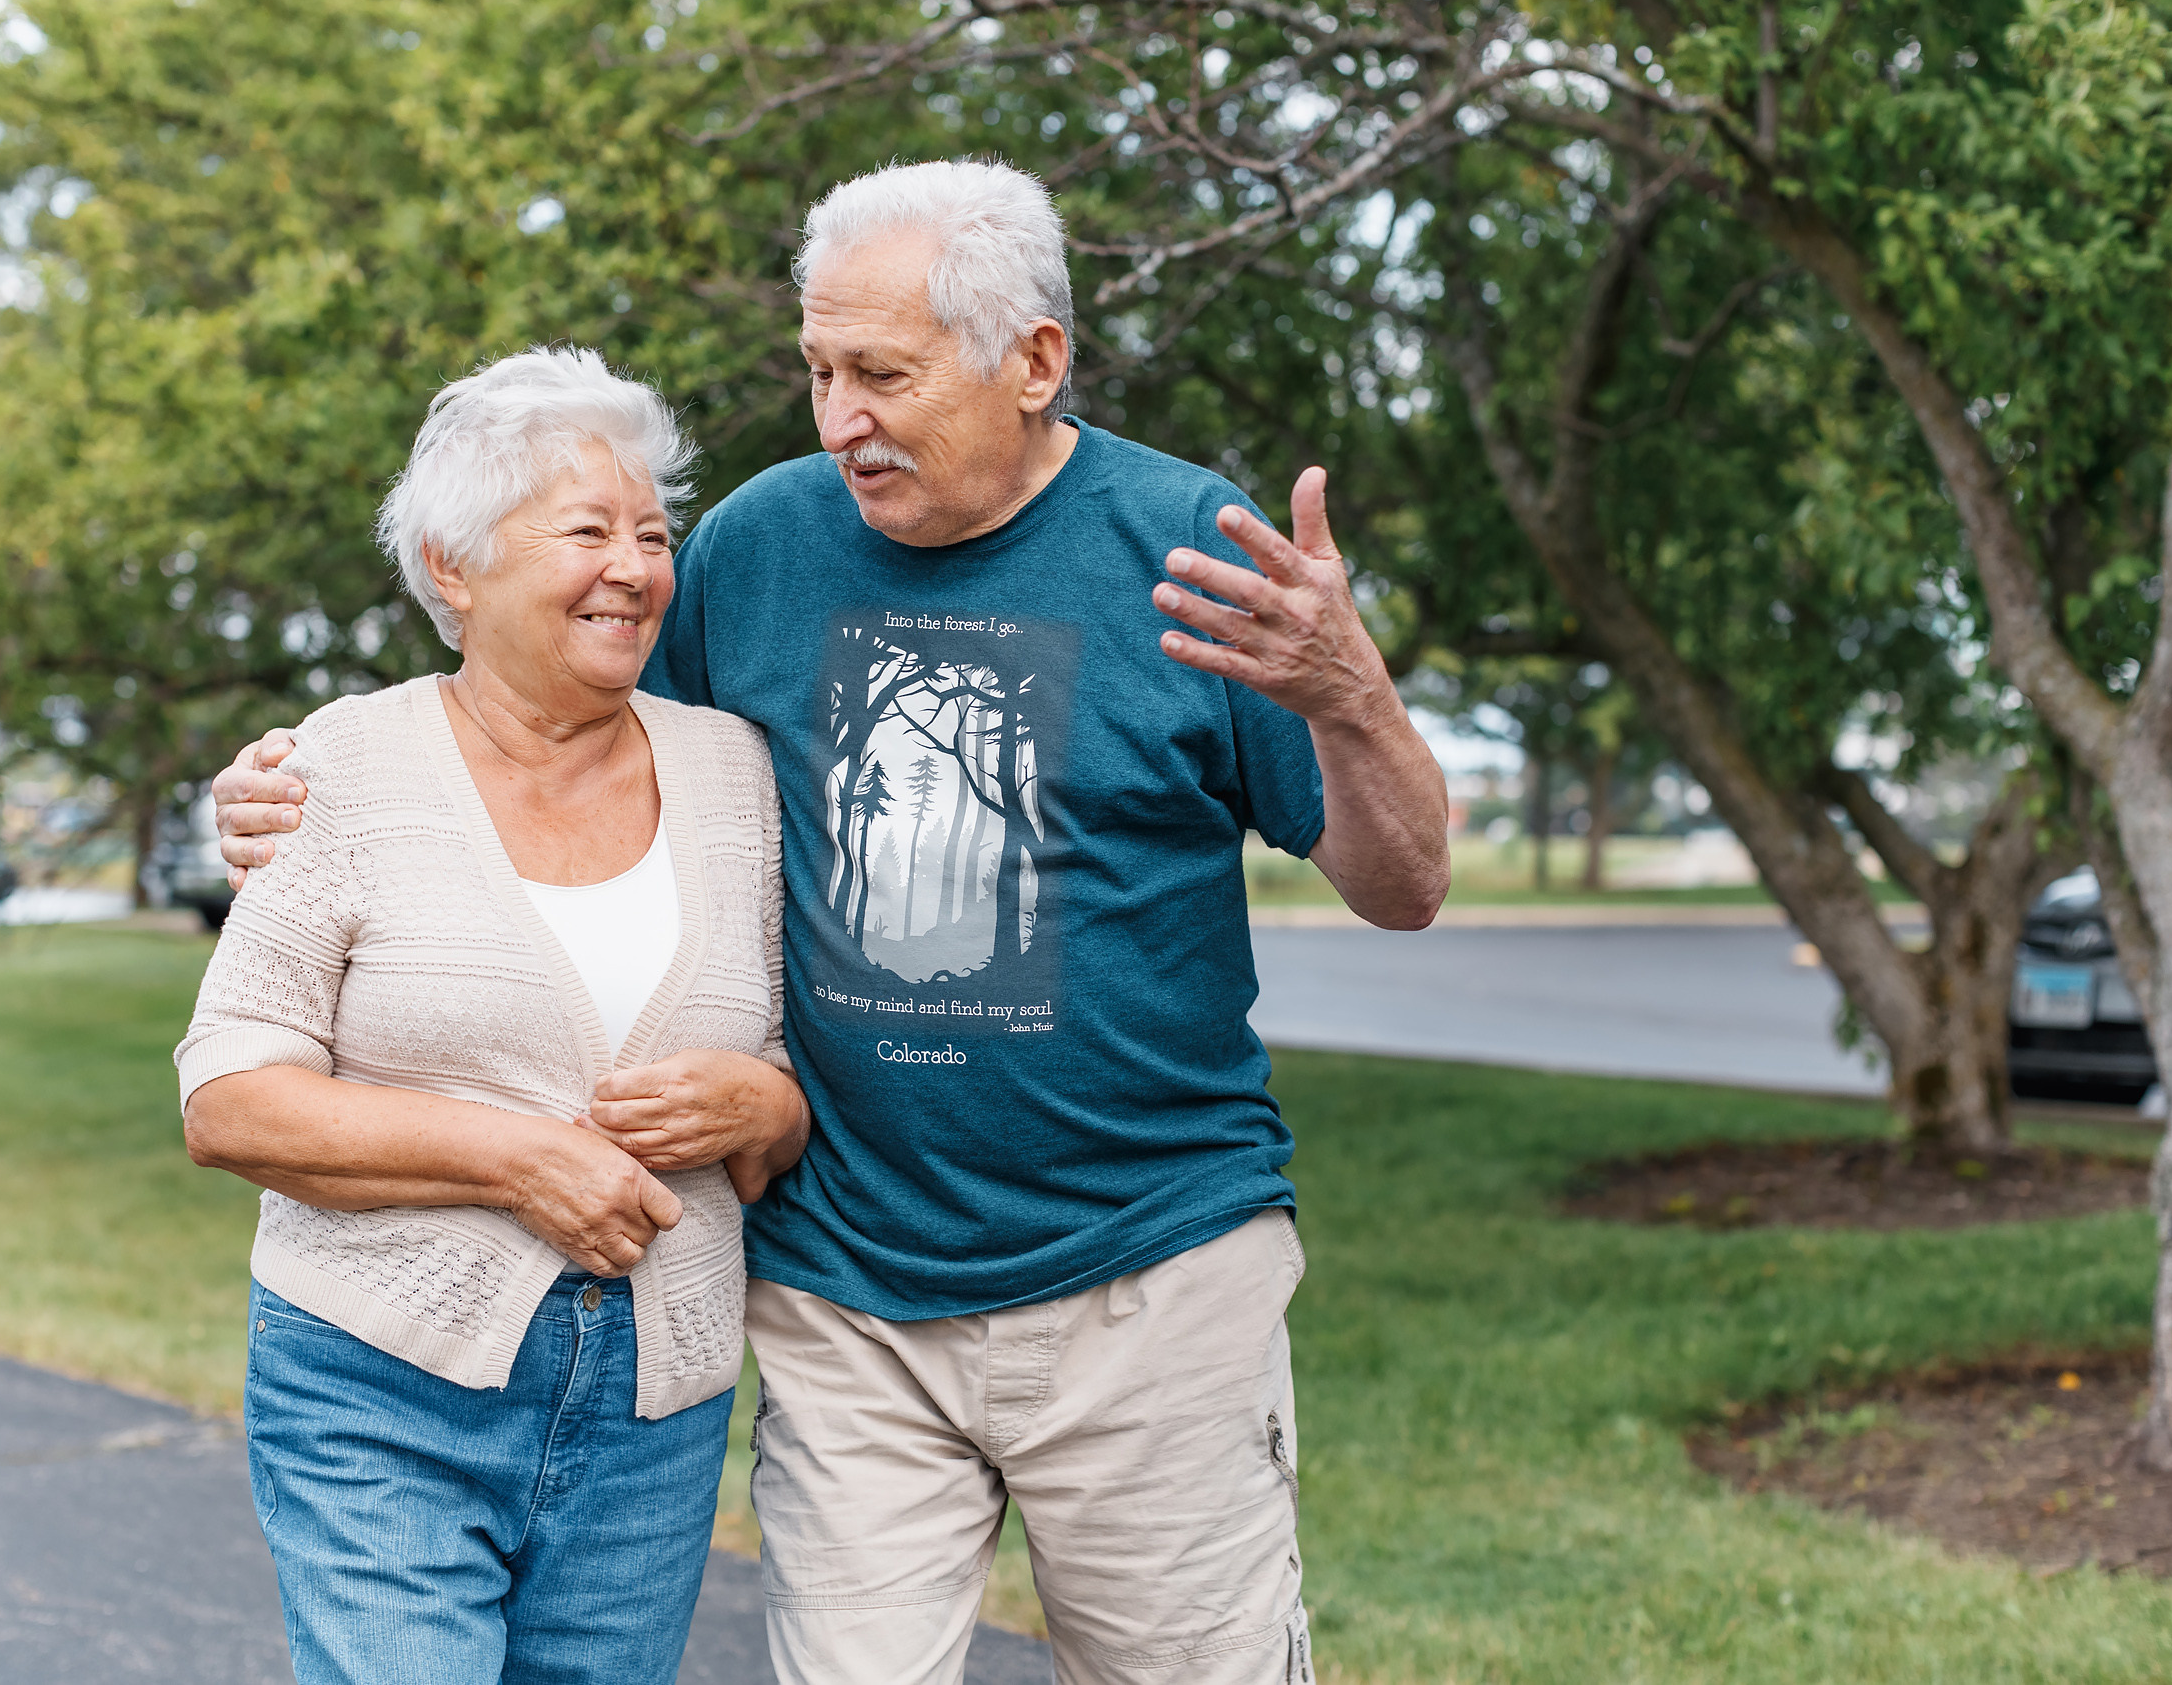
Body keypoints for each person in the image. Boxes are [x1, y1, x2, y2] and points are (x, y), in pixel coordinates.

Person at [214, 160, 1449, 1684]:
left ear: (1035, 361)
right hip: (845, 1291)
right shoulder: (756, 547)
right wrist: (295, 785)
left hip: (1149, 1274)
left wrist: (1351, 696)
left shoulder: (1192, 549)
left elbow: (1406, 886)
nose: (839, 418)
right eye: (817, 372)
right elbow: (567, 772)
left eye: (882, 374)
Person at [175, 345, 808, 1685]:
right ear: (451, 567)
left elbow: (782, 1090)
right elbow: (229, 1100)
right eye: (587, 531)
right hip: (378, 1384)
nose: (633, 568)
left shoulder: (736, 775)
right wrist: (520, 1159)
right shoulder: (336, 767)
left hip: (657, 1402)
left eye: (651, 534)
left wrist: (772, 1105)